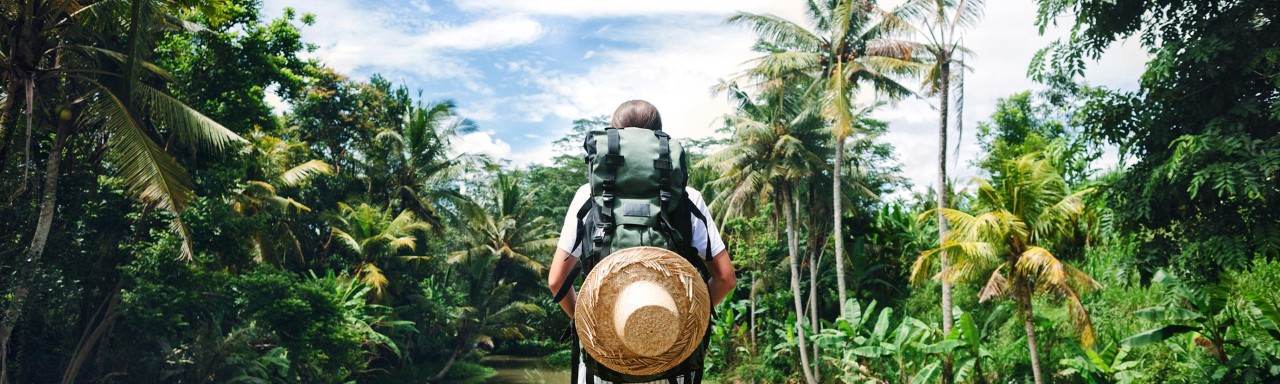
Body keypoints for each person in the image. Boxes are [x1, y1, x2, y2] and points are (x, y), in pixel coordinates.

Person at [546, 100, 736, 384]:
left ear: (616, 141)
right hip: (673, 359)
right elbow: (725, 278)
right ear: (657, 140)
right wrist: (686, 319)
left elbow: (556, 281)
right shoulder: (687, 197)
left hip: (604, 361)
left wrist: (591, 321)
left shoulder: (588, 195)